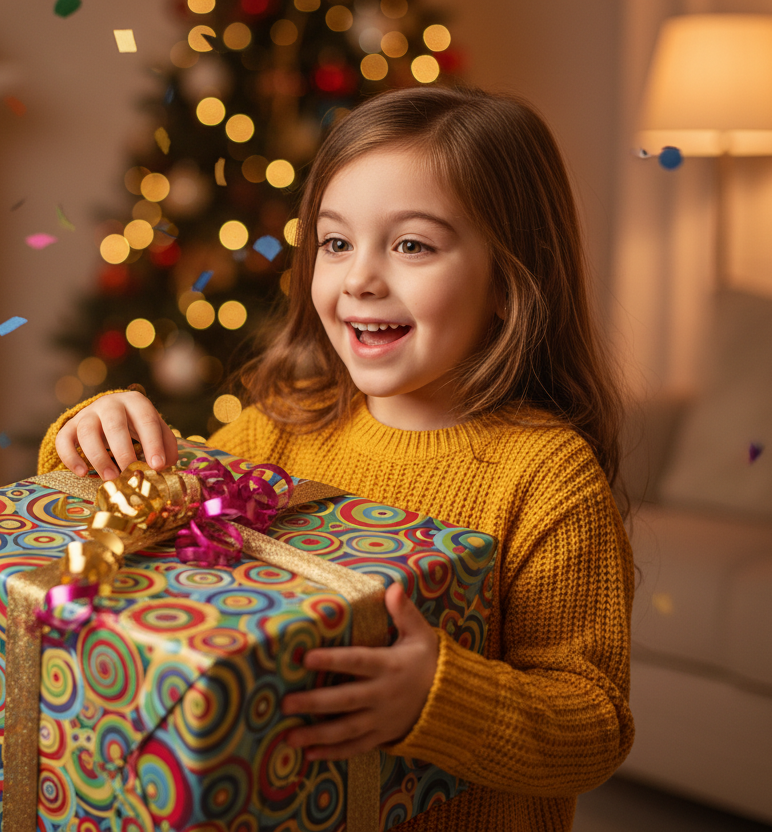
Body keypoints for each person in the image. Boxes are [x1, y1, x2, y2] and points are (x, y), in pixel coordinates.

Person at [37, 86, 634, 832]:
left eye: (412, 245)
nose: (359, 279)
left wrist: (439, 699)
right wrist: (94, 437)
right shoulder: (285, 424)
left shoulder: (547, 478)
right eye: (336, 242)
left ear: (511, 281)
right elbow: (155, 513)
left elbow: (595, 727)